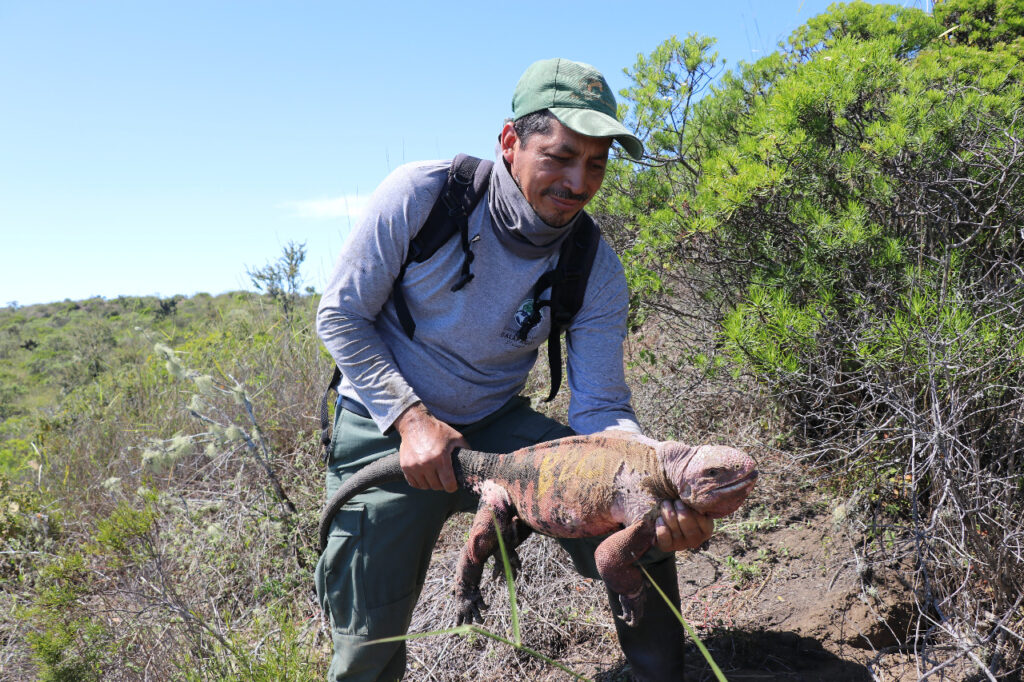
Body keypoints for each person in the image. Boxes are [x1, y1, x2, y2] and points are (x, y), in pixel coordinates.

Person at [315, 57, 713, 682]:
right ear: (509, 142)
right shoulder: (424, 196)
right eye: (559, 156)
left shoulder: (594, 265)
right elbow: (339, 316)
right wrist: (411, 419)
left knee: (648, 521)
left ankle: (660, 674)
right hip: (385, 423)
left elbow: (601, 406)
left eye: (597, 163)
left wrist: (647, 465)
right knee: (369, 633)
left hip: (498, 425)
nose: (579, 182)